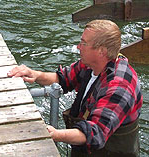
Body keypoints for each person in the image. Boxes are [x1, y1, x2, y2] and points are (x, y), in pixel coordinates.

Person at [8, 20, 142, 156]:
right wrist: (35, 74)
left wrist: (54, 134)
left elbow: (96, 132)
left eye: (84, 43)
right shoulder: (91, 64)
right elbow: (62, 79)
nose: (78, 47)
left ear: (101, 51)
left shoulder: (119, 87)